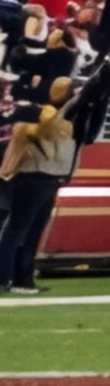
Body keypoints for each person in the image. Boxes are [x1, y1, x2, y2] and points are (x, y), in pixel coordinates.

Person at [0, 80, 71, 292]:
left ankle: (21, 278)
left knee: (28, 230)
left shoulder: (26, 116)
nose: (8, 91)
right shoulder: (28, 121)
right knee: (18, 229)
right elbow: (47, 128)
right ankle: (6, 277)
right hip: (28, 177)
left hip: (35, 177)